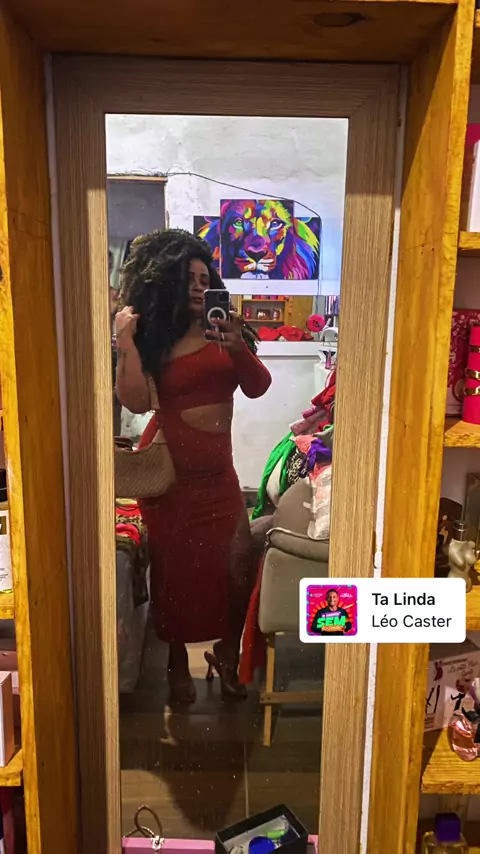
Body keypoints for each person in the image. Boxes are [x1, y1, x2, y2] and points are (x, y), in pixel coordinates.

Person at [115, 229, 272, 703]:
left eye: (206, 279)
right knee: (174, 574)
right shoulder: (154, 338)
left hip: (219, 478)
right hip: (171, 480)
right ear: (167, 282)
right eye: (189, 280)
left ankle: (226, 654)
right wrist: (125, 343)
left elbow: (258, 387)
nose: (200, 287)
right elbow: (135, 401)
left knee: (236, 567)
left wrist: (237, 346)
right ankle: (176, 659)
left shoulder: (226, 332)